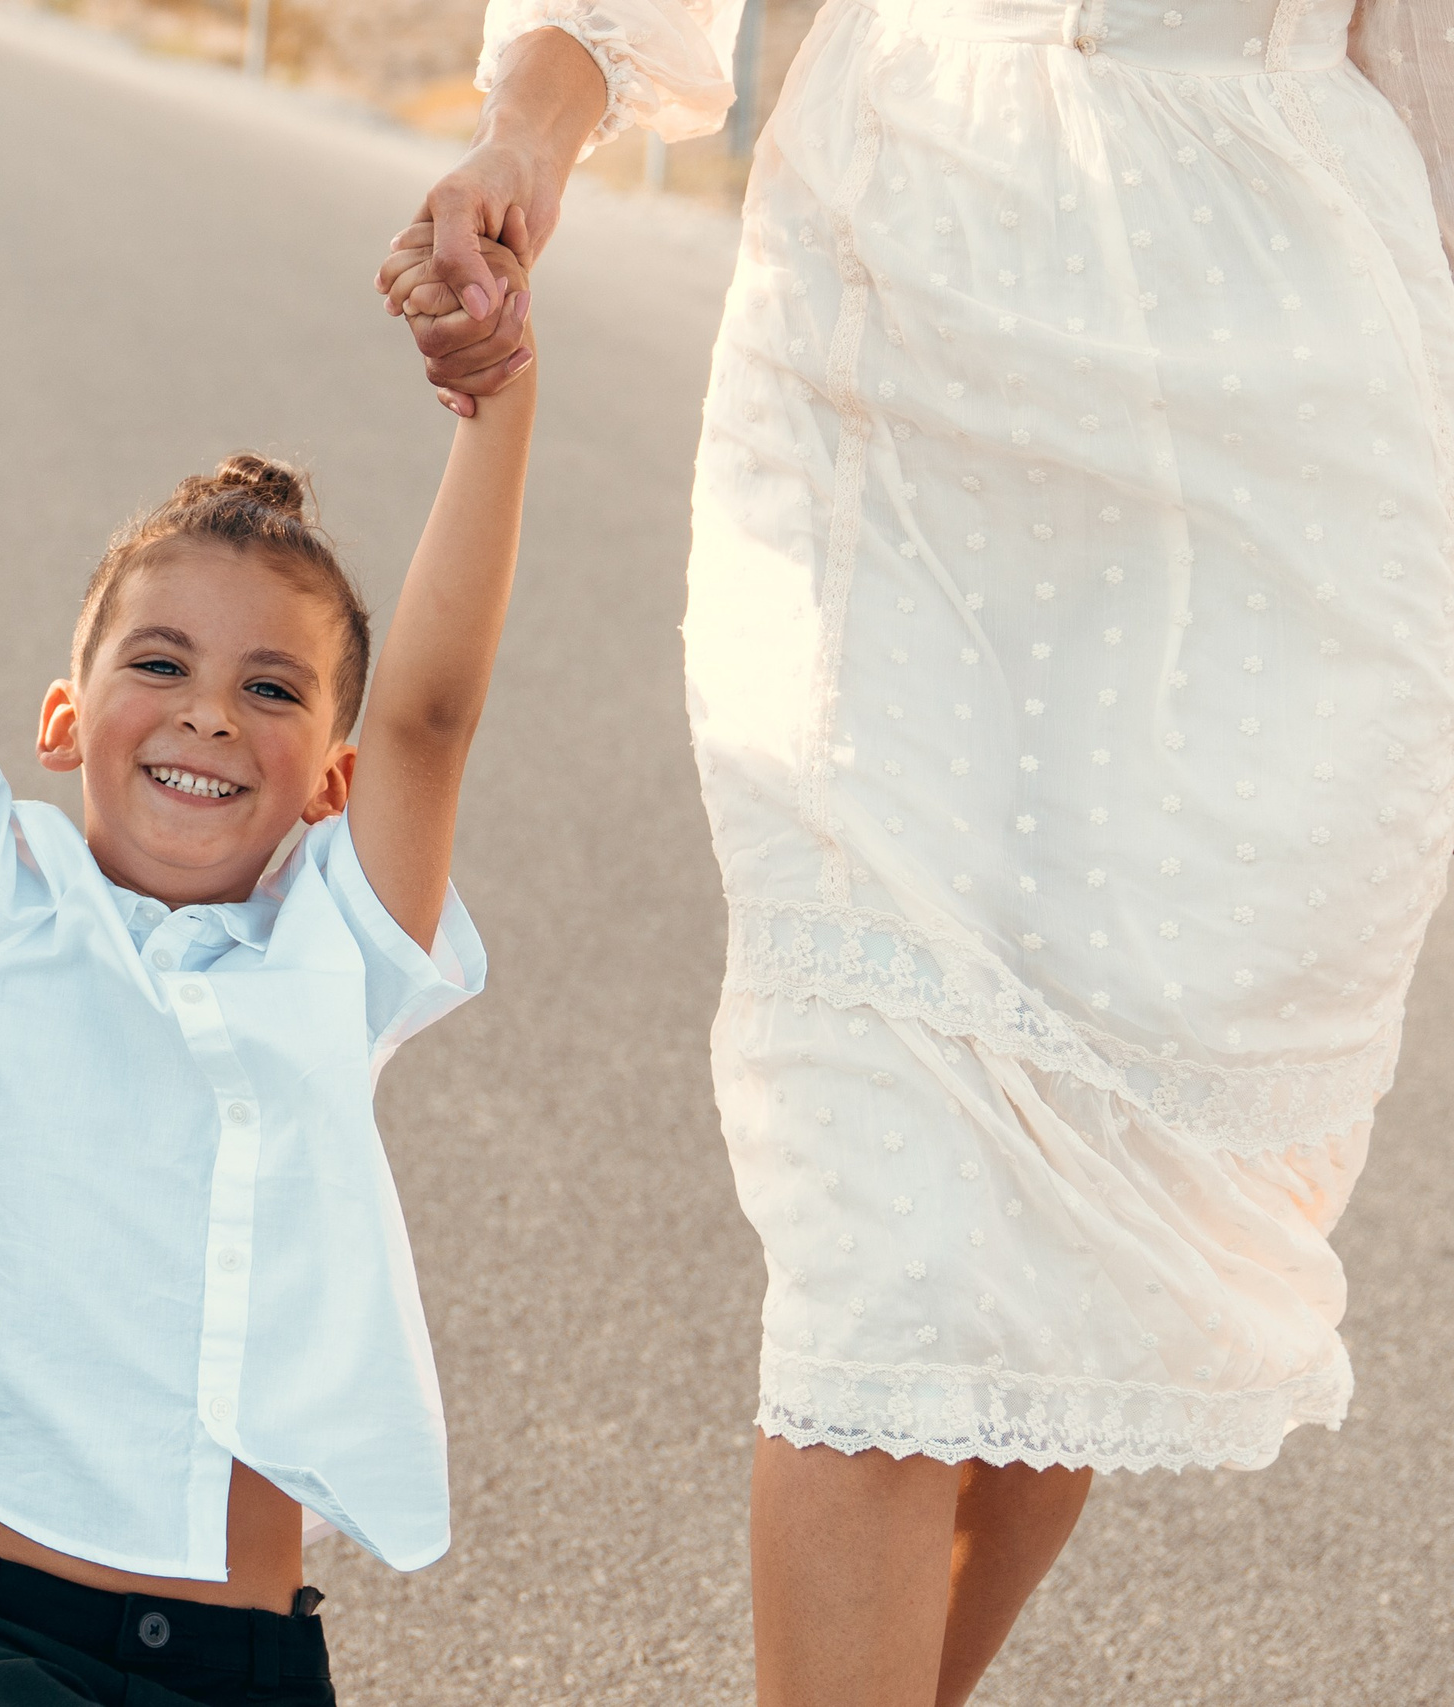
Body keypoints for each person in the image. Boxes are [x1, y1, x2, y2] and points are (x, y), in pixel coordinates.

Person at [378, 0, 1454, 1702]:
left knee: (1090, 1231)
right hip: (898, 323)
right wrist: (530, 130)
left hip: (1284, 404)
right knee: (889, 1232)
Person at [0, 185, 537, 1701]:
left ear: (329, 782)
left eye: (272, 689)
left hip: (243, 1667)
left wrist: (498, 397)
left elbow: (432, 712)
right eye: (160, 662)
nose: (208, 712)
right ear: (64, 721)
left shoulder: (339, 963)